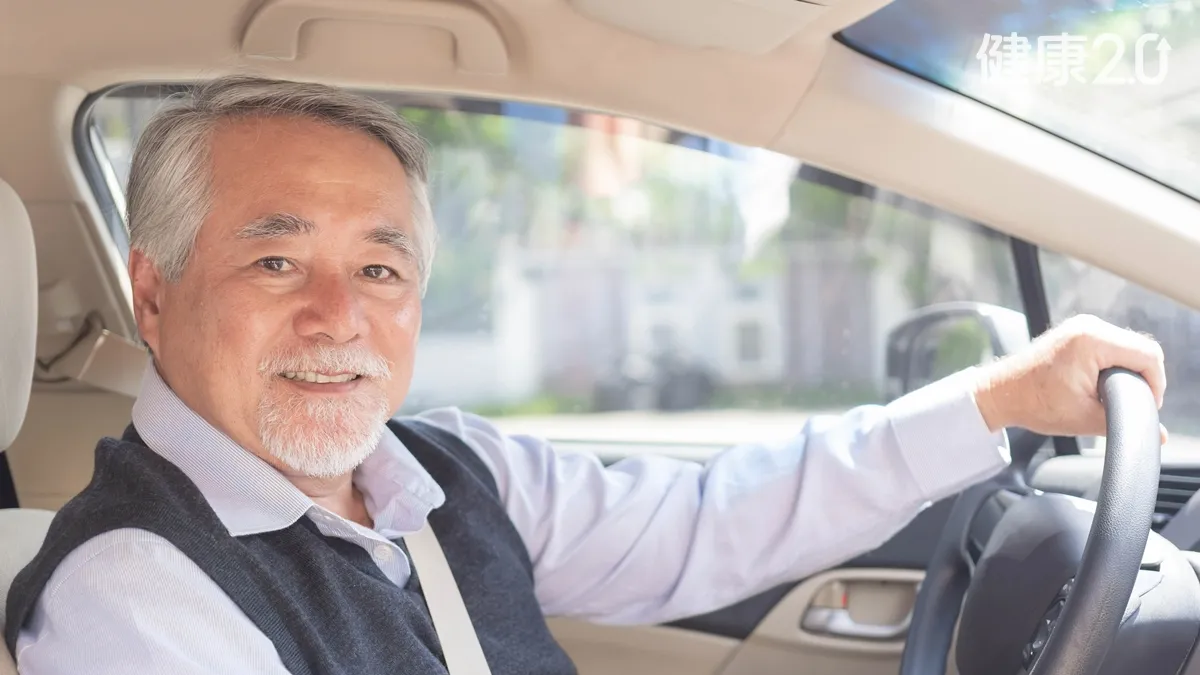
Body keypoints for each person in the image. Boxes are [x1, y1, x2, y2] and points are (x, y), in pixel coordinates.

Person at [4, 75, 1167, 675]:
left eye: (379, 266)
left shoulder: (443, 471)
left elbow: (704, 524)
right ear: (155, 295)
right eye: (275, 260)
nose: (339, 316)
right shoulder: (130, 598)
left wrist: (996, 400)